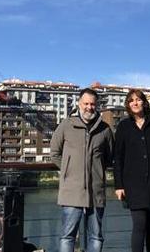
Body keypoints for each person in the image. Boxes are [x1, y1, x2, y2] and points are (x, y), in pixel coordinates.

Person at [50, 88, 114, 252]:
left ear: (97, 105)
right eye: (86, 103)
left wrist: (97, 172)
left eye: (92, 104)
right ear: (79, 104)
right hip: (71, 190)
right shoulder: (66, 125)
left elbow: (109, 157)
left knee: (96, 236)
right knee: (67, 236)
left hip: (96, 191)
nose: (89, 107)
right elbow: (55, 153)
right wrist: (68, 170)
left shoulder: (105, 129)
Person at [114, 89, 150, 252]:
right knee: (139, 225)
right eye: (131, 100)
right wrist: (118, 185)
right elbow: (118, 157)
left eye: (138, 99)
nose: (135, 103)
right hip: (133, 184)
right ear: (128, 105)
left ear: (144, 102)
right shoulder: (123, 126)